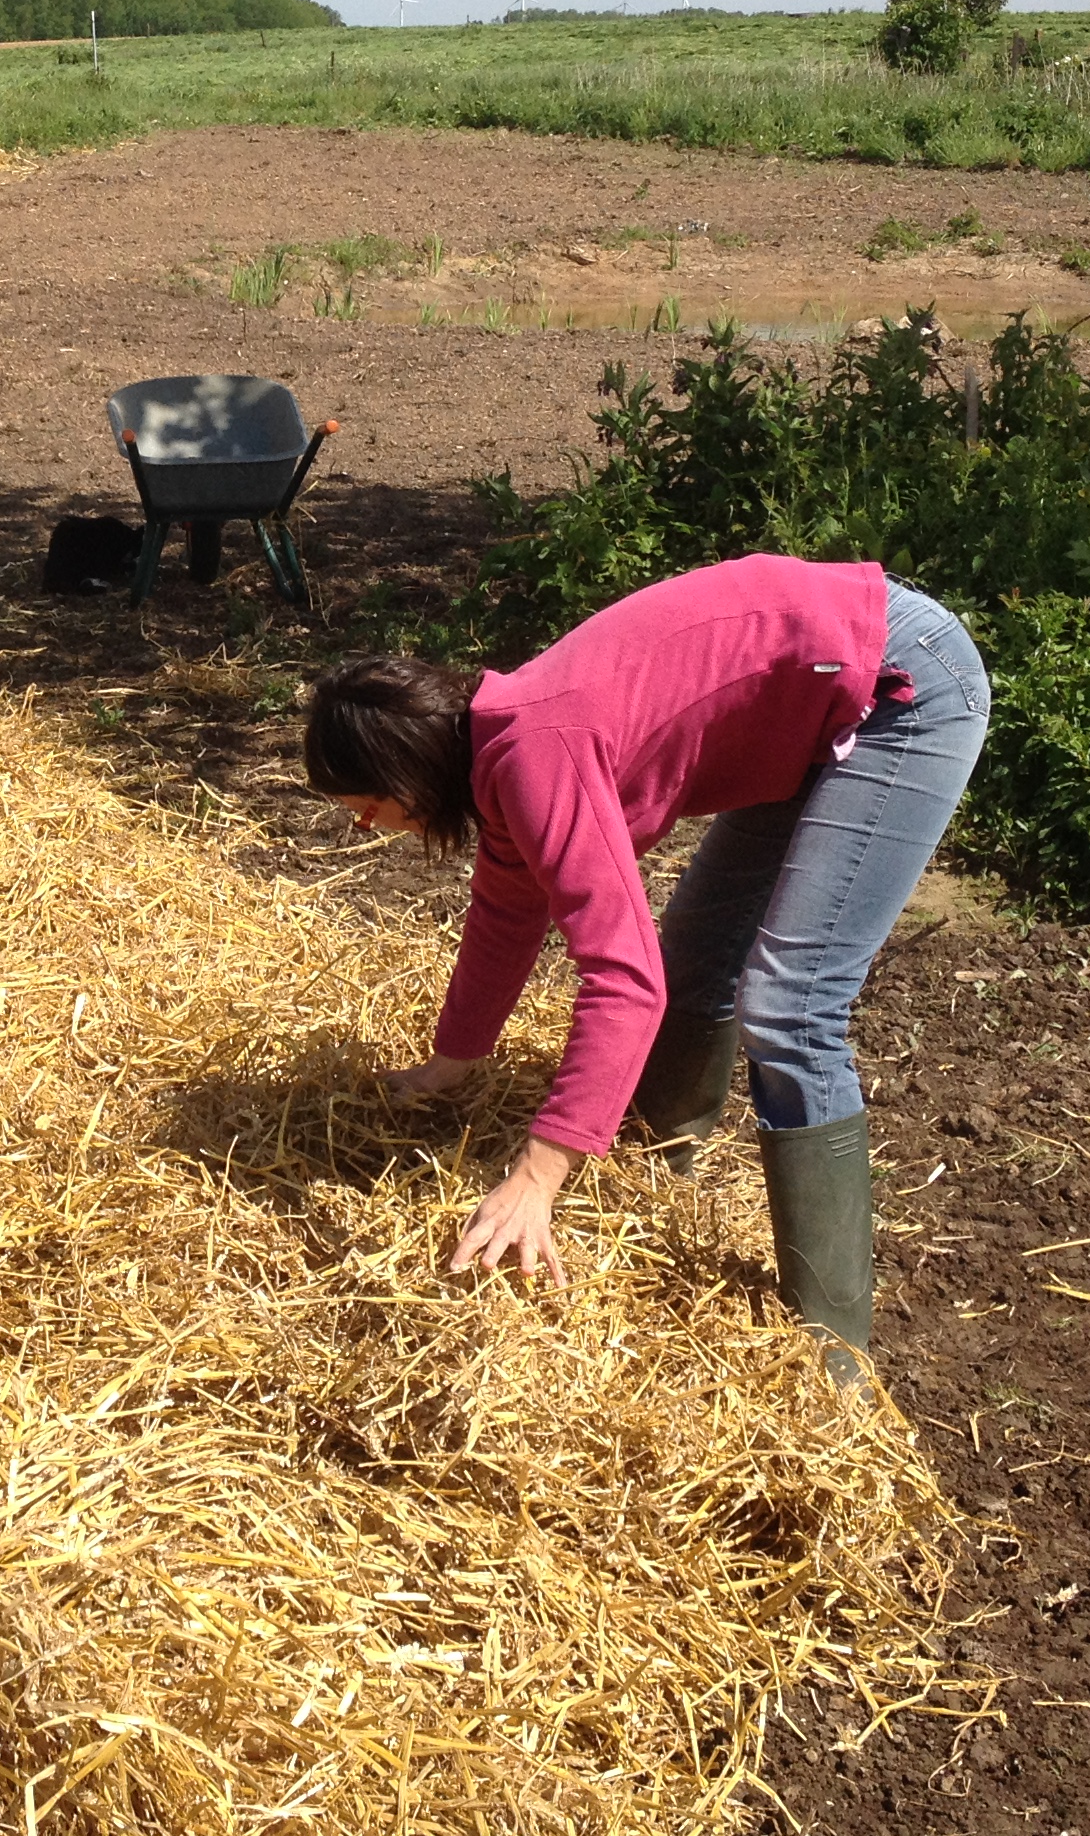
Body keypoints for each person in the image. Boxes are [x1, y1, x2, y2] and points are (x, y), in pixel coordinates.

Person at [301, 554, 989, 1380]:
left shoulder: (533, 749)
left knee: (791, 1005)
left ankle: (831, 1357)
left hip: (896, 683)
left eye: (363, 806)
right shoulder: (497, 753)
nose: (365, 827)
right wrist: (452, 1064)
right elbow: (507, 912)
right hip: (812, 697)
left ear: (400, 769)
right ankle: (660, 1180)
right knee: (697, 955)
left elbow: (623, 982)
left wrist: (537, 1174)